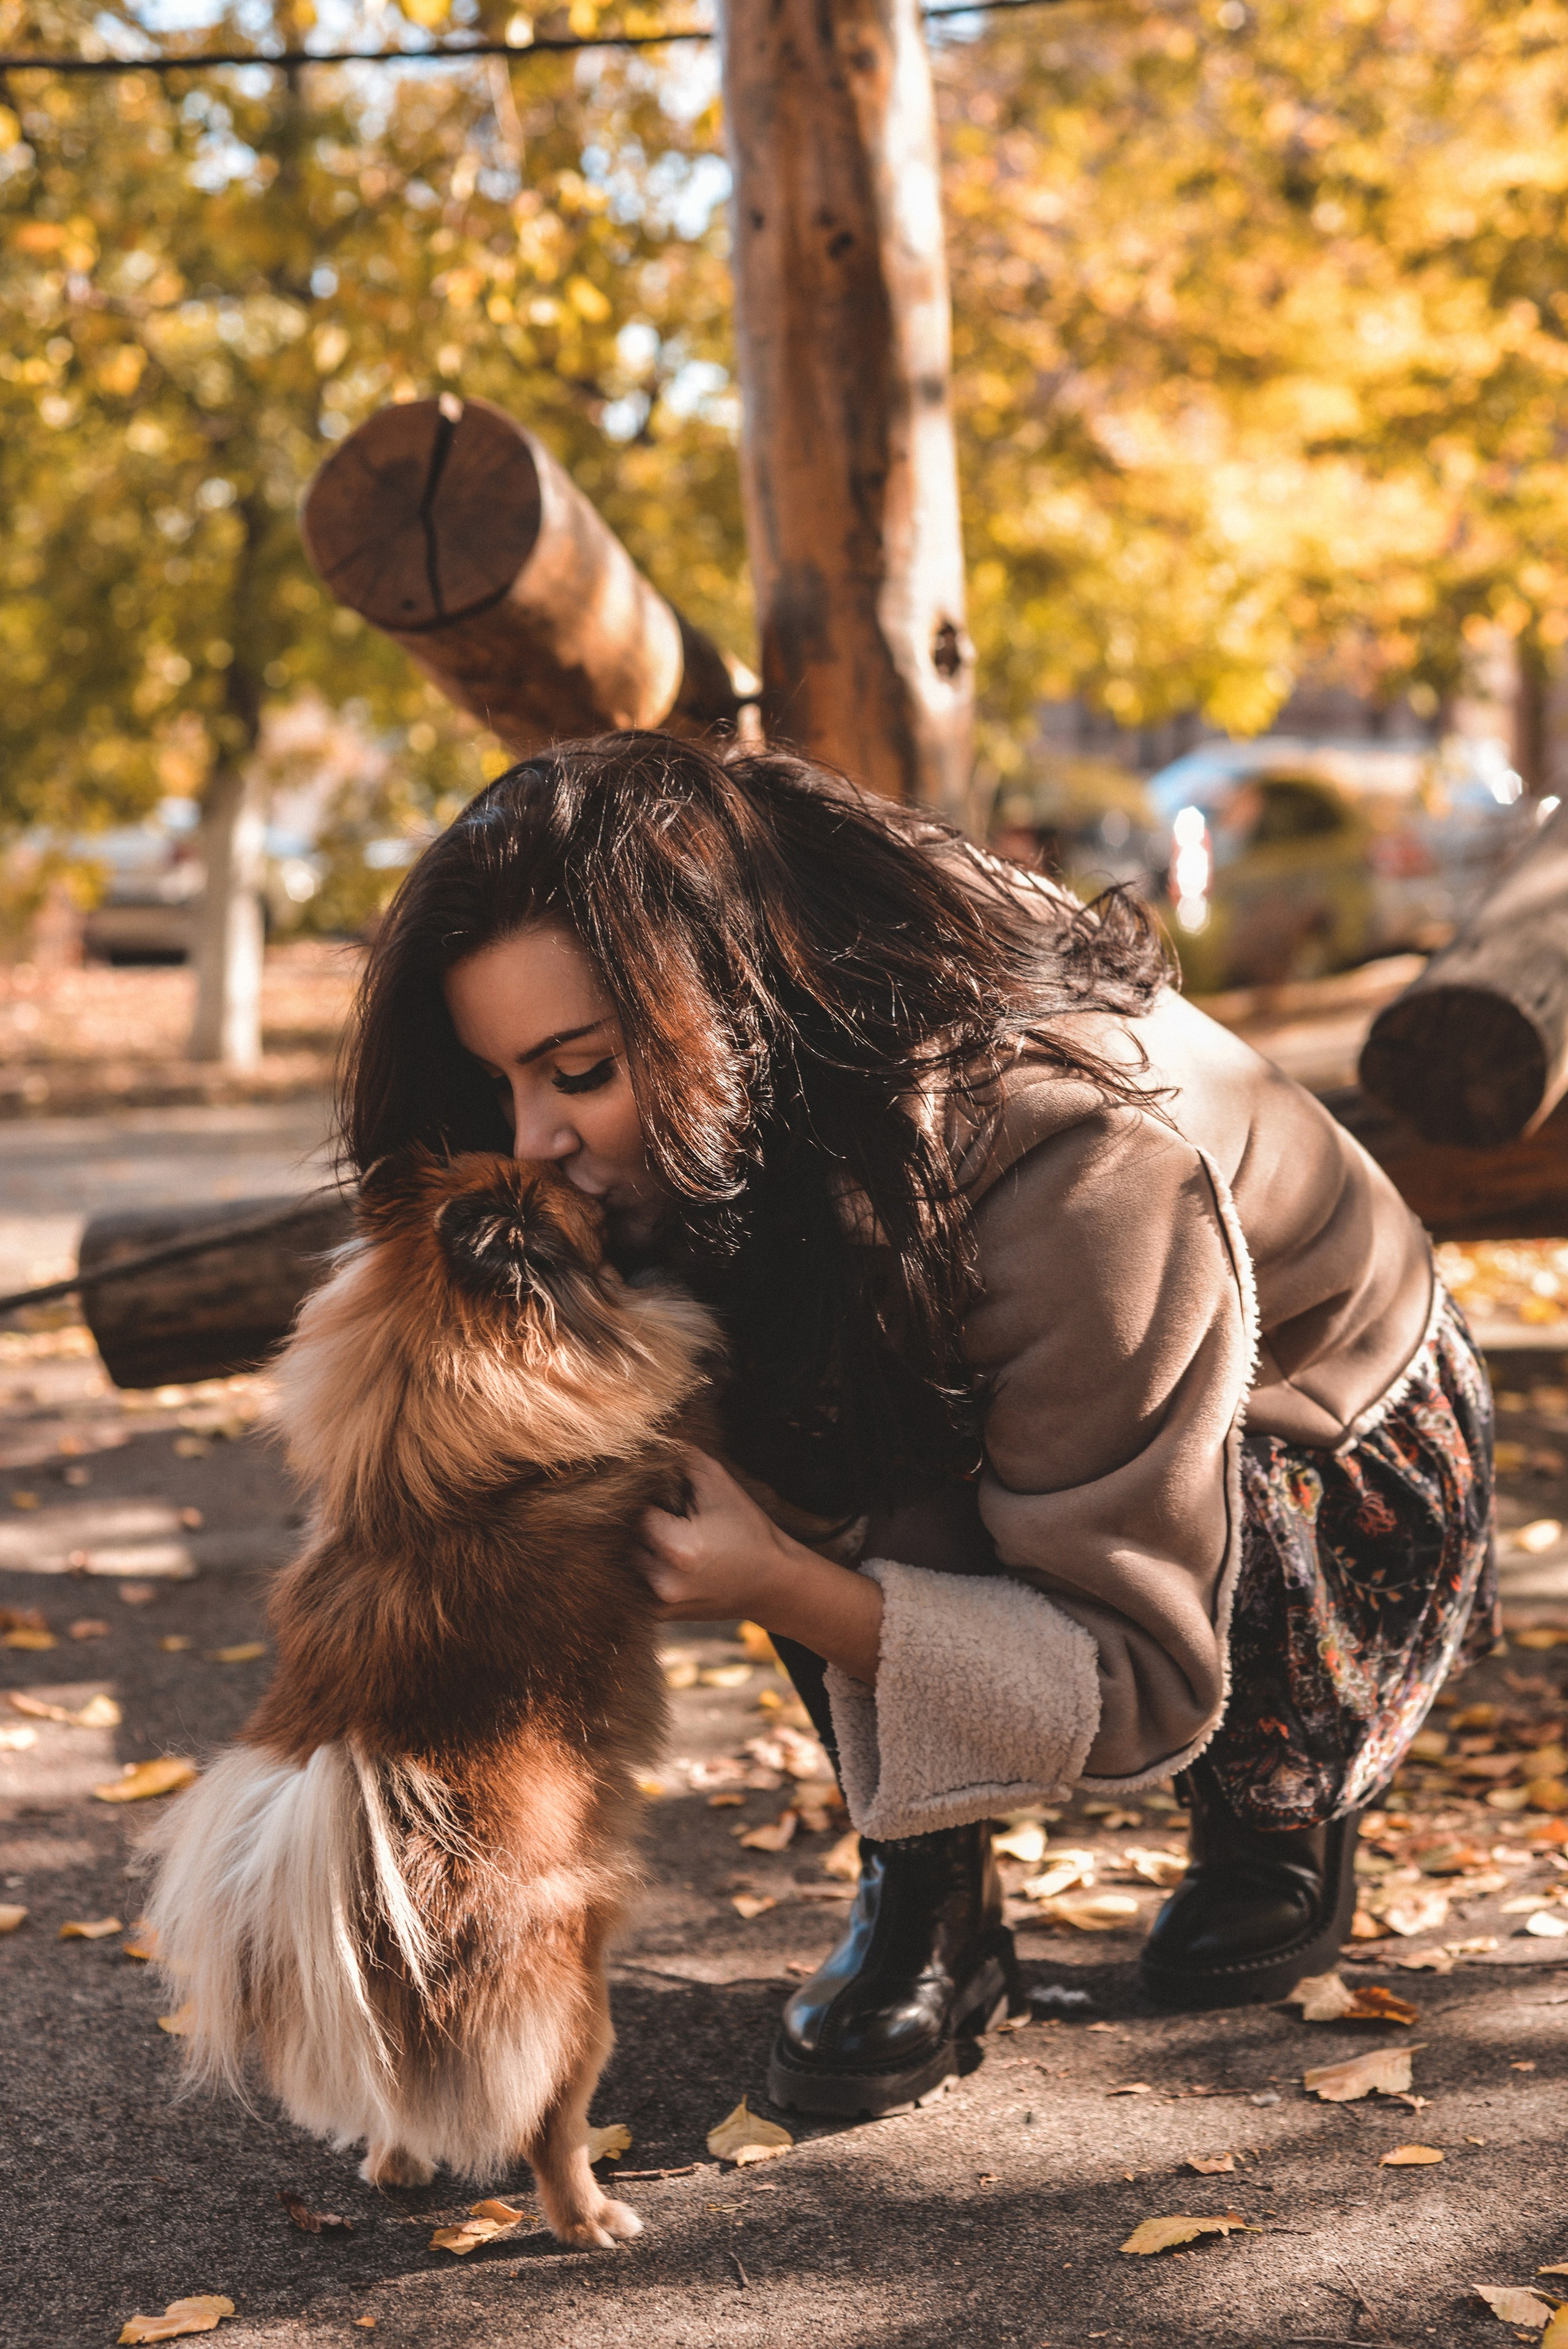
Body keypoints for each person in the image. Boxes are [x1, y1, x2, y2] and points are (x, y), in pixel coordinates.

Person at [341, 731, 1495, 2121]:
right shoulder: (775, 1047)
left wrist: (777, 1581)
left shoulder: (1084, 1171)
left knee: (833, 1448)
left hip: (1312, 1440)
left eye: (577, 1073)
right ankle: (928, 1888)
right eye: (501, 1083)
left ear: (723, 1002)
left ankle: (1282, 1798)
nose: (530, 1143)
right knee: (765, 1384)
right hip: (988, 1331)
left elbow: (1129, 1678)